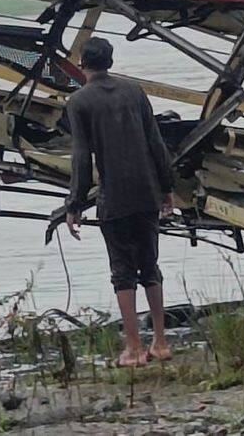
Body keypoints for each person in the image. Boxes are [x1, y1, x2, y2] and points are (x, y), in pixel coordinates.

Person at [64, 37, 174, 367]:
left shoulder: (79, 101)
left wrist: (75, 203)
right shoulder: (134, 91)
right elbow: (156, 142)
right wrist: (166, 187)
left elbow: (81, 157)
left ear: (83, 63)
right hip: (147, 192)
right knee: (150, 263)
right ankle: (161, 342)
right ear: (110, 61)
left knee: (122, 270)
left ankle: (134, 349)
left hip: (114, 197)